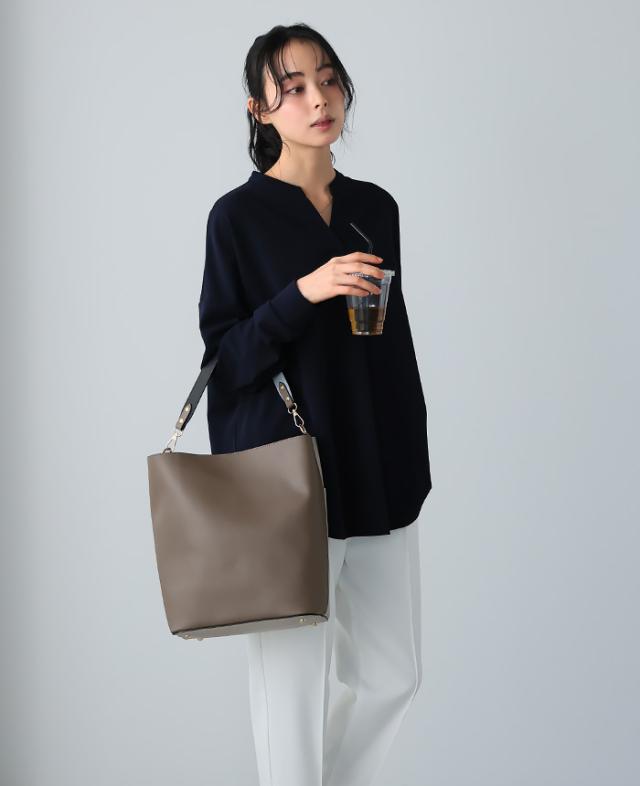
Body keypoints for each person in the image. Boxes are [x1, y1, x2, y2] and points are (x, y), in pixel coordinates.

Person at [197, 22, 432, 786]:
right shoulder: (237, 219)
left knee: (395, 676)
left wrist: (413, 453)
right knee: (291, 695)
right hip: (288, 485)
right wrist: (305, 291)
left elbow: (390, 343)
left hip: (382, 472)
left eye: (328, 79)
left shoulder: (375, 207)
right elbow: (226, 361)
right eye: (293, 87)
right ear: (259, 110)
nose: (319, 98)